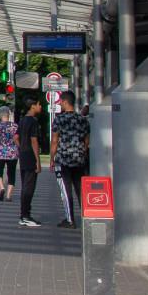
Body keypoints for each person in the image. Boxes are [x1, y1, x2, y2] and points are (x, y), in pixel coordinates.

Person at [51, 91, 90, 229]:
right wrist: (82, 152)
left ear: (65, 102)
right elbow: (86, 140)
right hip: (79, 159)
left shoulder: (59, 119)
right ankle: (86, 216)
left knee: (66, 191)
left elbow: (55, 141)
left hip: (63, 159)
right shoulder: (82, 120)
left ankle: (70, 220)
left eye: (61, 102)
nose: (60, 104)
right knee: (80, 189)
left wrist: (52, 158)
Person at [18, 99, 45, 227]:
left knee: (25, 186)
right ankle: (25, 216)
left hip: (23, 155)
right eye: (39, 104)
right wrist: (38, 161)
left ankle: (23, 215)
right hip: (30, 156)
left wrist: (22, 147)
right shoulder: (33, 121)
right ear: (33, 106)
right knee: (29, 187)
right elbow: (34, 140)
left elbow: (16, 137)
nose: (41, 107)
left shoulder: (22, 120)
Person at [0, 105, 18, 203]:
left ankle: (2, 187)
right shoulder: (15, 126)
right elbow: (17, 139)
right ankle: (9, 196)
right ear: (8, 114)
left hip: (0, 152)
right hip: (12, 153)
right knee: (11, 174)